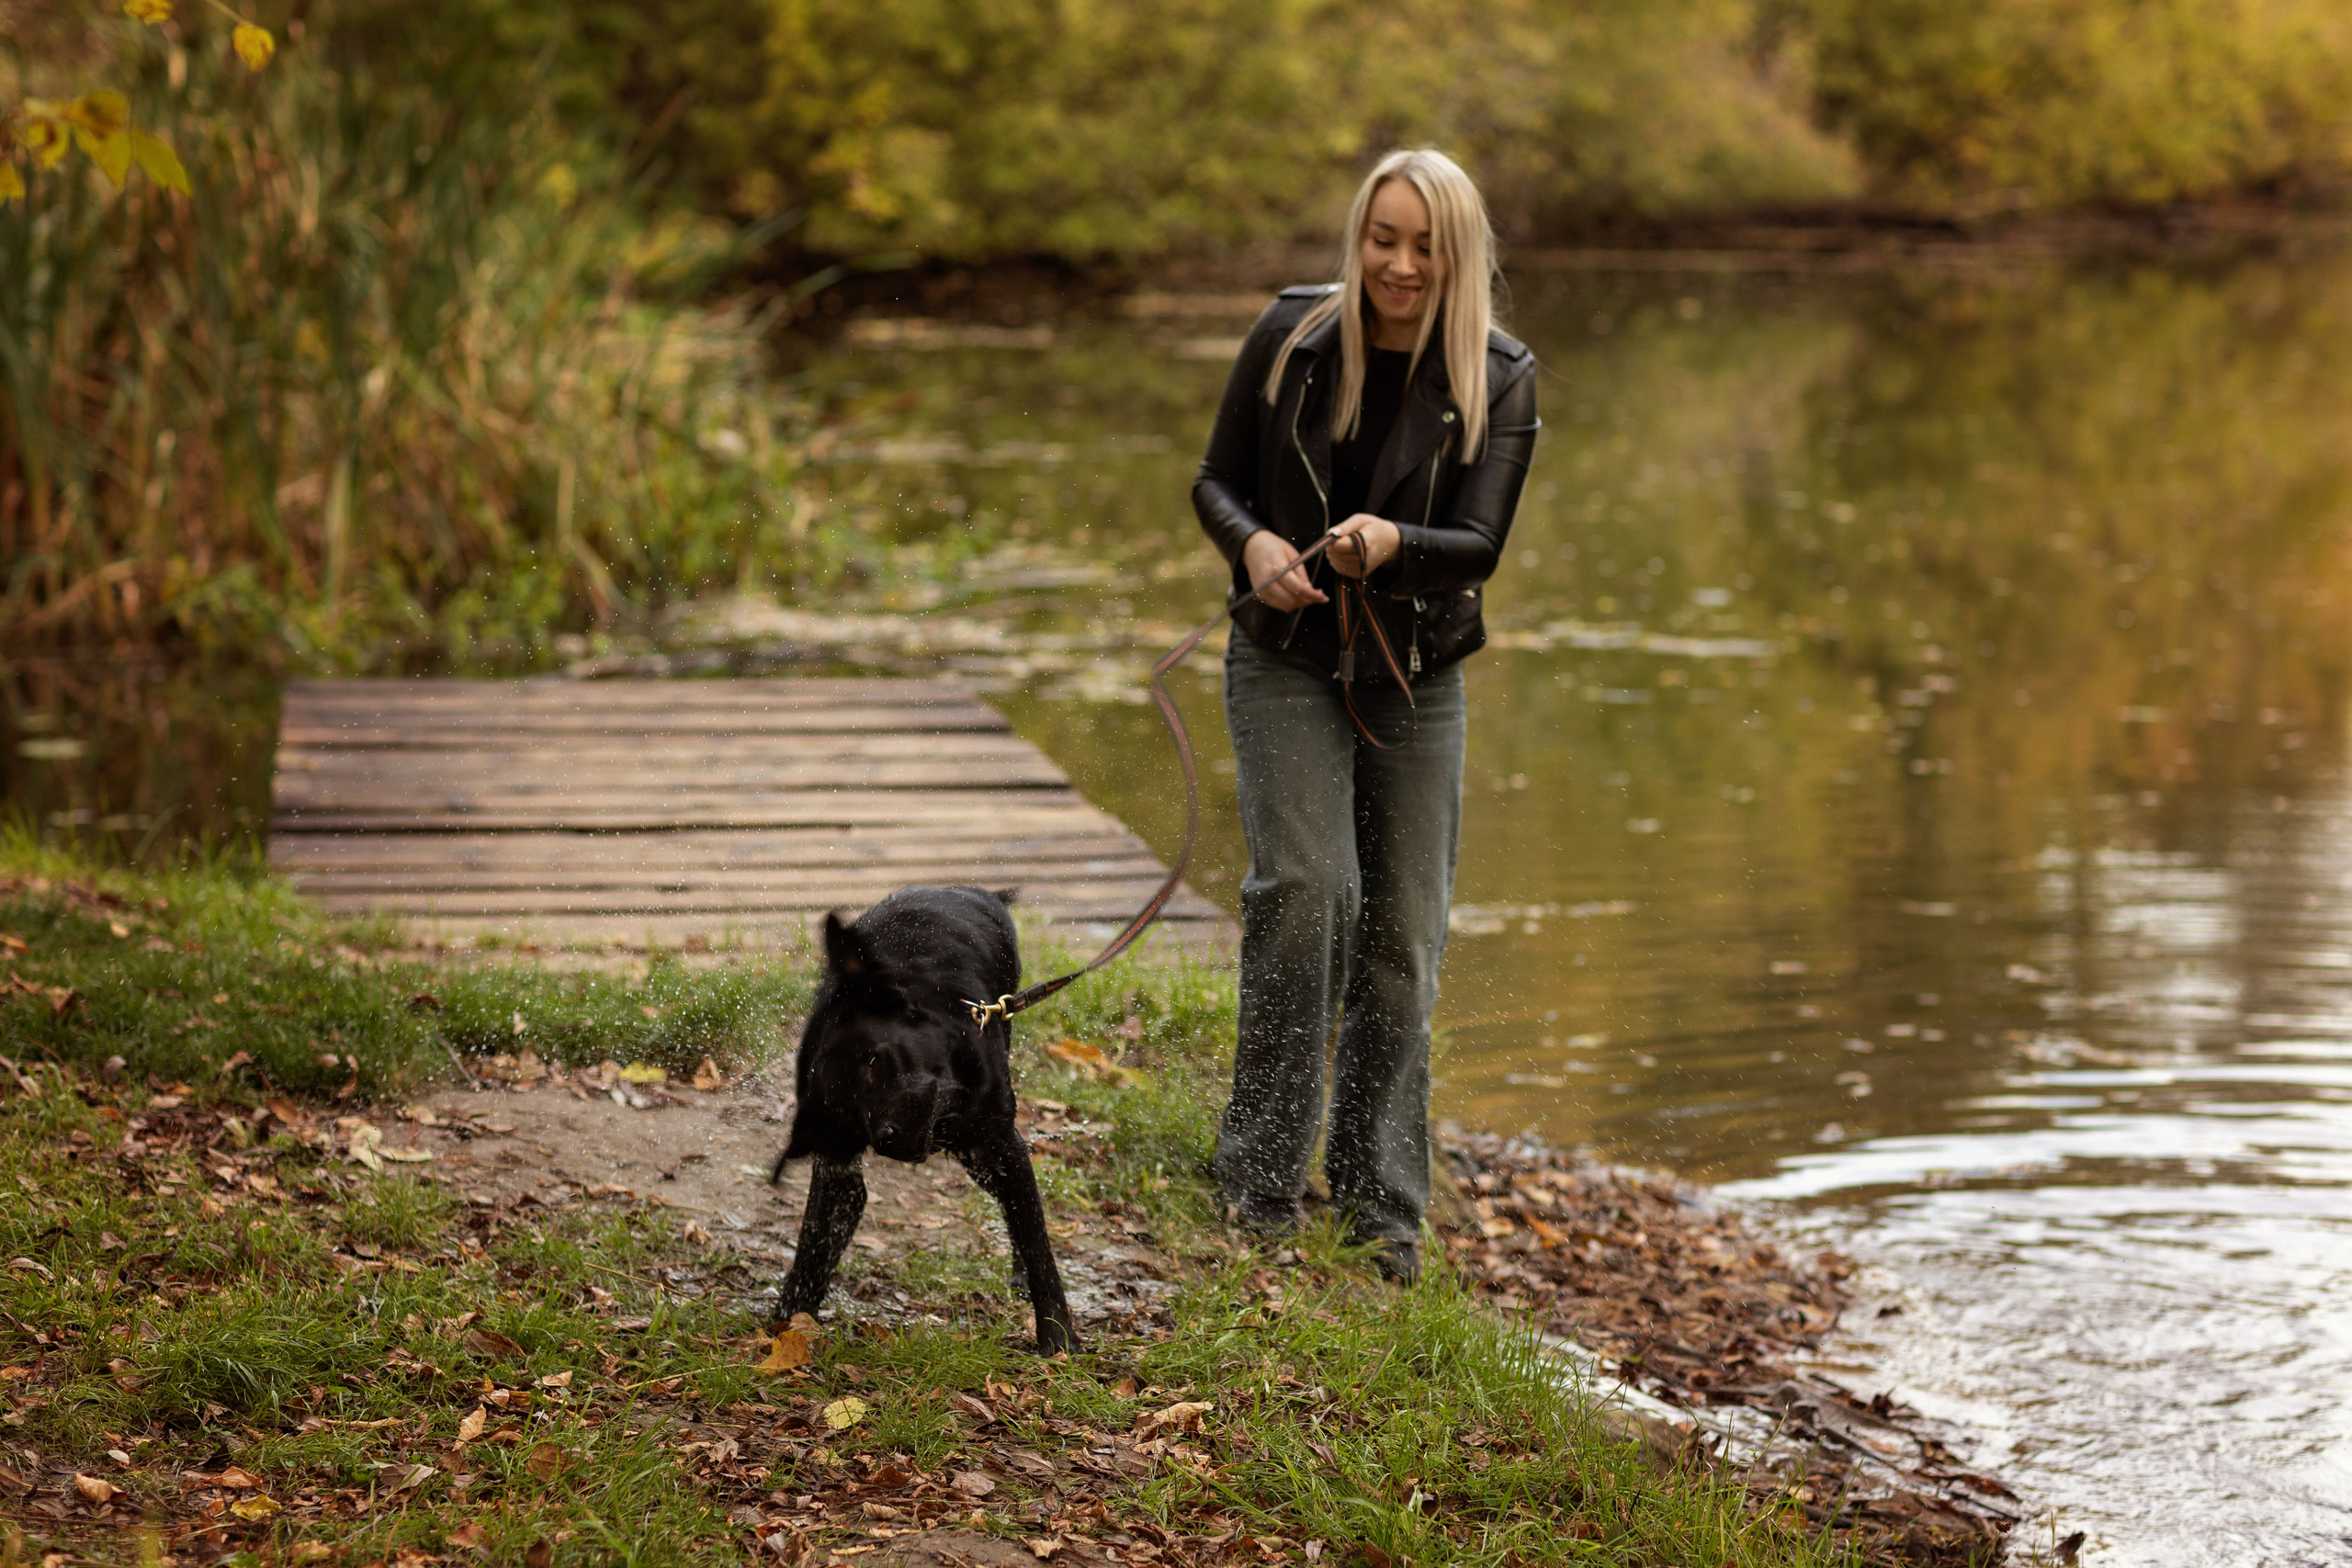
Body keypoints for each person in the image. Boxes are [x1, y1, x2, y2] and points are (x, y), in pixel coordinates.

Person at [1193, 147, 1540, 1283]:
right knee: (1306, 893)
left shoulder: (1501, 374)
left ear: (1459, 255)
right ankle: (1255, 1178)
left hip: (1417, 676)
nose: (1398, 264)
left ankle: (1381, 1209)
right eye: (1382, 239)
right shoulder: (1291, 339)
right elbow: (1215, 482)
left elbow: (1478, 548)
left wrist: (1392, 548)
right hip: (1284, 657)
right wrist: (1251, 540)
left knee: (1401, 938)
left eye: (1423, 245)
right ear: (1359, 239)